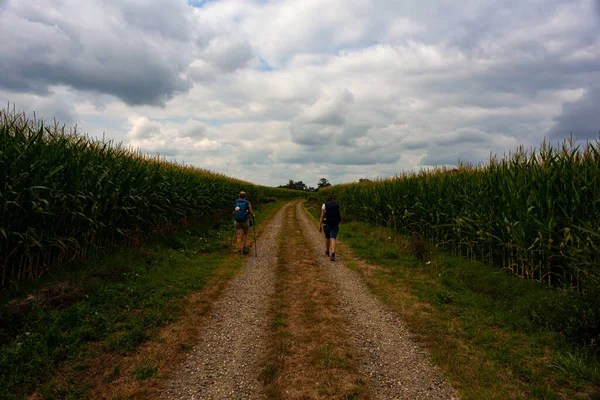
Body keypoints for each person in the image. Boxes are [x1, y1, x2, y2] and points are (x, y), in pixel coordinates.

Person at [319, 194, 341, 261]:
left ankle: (327, 251)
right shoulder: (336, 204)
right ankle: (333, 254)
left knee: (327, 238)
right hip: (335, 223)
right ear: (333, 198)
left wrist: (320, 225)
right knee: (333, 238)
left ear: (327, 199)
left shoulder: (324, 205)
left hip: (326, 224)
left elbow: (322, 215)